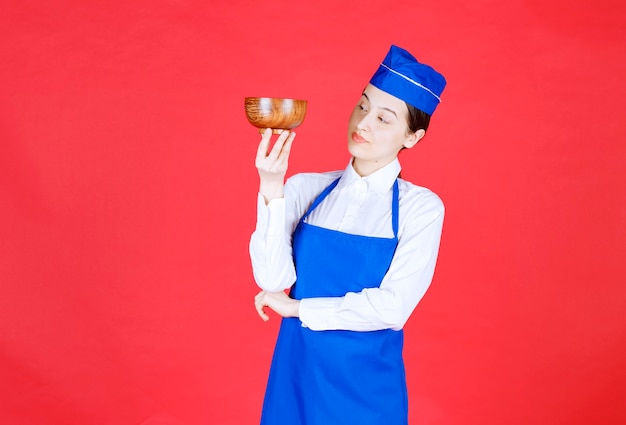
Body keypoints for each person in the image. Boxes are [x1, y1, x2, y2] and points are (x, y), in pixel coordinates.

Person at [250, 45, 447, 425]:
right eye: (362, 106)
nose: (363, 123)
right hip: (296, 372)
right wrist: (271, 186)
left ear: (413, 138)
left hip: (366, 387)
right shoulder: (305, 188)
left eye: (384, 119)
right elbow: (272, 279)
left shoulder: (420, 208)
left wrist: (298, 308)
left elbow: (393, 307)